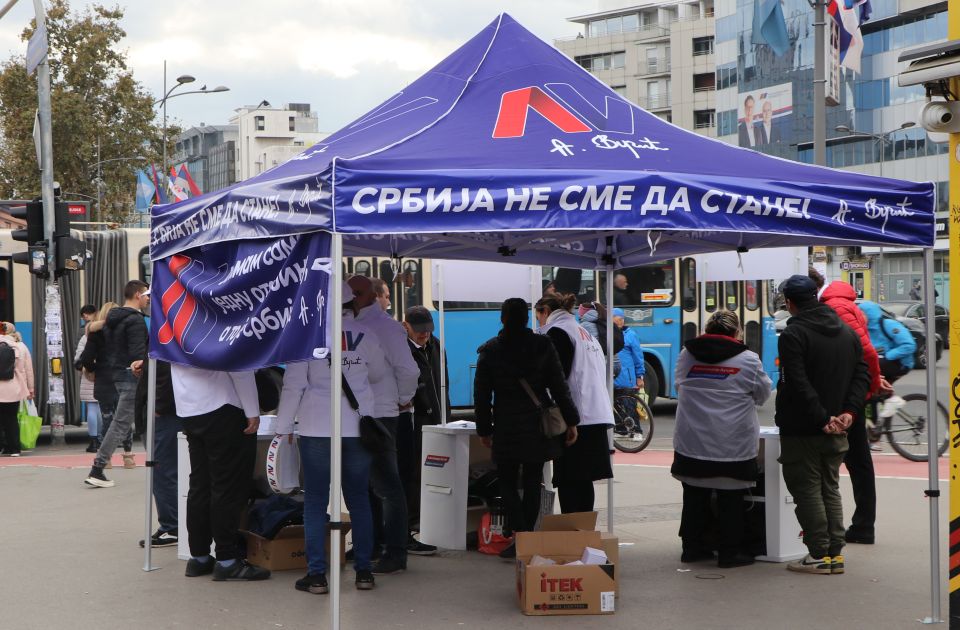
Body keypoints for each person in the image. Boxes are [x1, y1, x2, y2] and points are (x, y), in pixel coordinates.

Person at [275, 281, 380, 593]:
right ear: (352, 304)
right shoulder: (368, 335)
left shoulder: (307, 336)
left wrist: (283, 428)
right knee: (359, 498)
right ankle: (364, 572)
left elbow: (293, 384)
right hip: (357, 427)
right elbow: (375, 374)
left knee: (316, 501)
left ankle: (317, 575)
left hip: (316, 426)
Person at [775, 275, 870, 575]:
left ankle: (818, 554)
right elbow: (862, 374)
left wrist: (821, 417)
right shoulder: (846, 332)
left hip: (803, 427)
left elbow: (796, 383)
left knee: (807, 491)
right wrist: (849, 413)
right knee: (830, 488)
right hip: (839, 426)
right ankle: (834, 554)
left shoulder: (793, 335)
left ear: (789, 302)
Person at [475, 298, 580, 559]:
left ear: (502, 318)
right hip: (536, 425)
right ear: (527, 318)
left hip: (506, 425)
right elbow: (559, 386)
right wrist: (571, 420)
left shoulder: (490, 350)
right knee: (534, 480)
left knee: (508, 483)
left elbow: (481, 395)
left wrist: (484, 429)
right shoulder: (543, 345)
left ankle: (520, 536)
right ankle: (528, 537)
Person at [671, 310, 772, 568]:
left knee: (694, 495)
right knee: (731, 498)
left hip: (691, 442)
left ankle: (692, 548)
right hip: (732, 444)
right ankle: (730, 552)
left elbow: (679, 386)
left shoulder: (686, 355)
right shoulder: (749, 360)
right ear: (736, 332)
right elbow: (762, 395)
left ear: (706, 329)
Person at [349, 275, 420, 575]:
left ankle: (395, 550)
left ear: (368, 295)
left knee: (387, 484)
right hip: (363, 413)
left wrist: (403, 400)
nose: (349, 298)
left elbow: (408, 369)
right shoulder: (358, 325)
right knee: (367, 485)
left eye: (355, 293)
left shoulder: (385, 327)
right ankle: (373, 543)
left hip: (380, 414)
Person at [172, 362, 267, 581]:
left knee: (200, 484)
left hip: (189, 406)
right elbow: (237, 362)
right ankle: (227, 559)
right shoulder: (219, 323)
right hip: (223, 405)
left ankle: (199, 557)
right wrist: (252, 410)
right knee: (227, 486)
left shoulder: (173, 325)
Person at [819, 281, 887, 546]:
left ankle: (843, 528)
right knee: (860, 463)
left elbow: (866, 351)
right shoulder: (853, 308)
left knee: (829, 462)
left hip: (845, 394)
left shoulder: (836, 308)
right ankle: (863, 526)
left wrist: (873, 381)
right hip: (854, 395)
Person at [535, 292, 614, 513]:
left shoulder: (557, 332)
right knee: (583, 480)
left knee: (569, 480)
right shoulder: (583, 332)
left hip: (577, 417)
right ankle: (584, 532)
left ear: (546, 312)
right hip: (596, 413)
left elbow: (557, 379)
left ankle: (575, 533)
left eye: (538, 317)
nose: (538, 322)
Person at [85, 281, 150, 488]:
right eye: (147, 294)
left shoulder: (112, 318)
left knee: (133, 420)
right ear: (138, 294)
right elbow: (138, 352)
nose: (149, 299)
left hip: (116, 374)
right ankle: (97, 468)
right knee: (121, 423)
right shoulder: (136, 321)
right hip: (133, 374)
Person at [398, 305, 449, 556]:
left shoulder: (436, 346)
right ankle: (407, 526)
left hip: (437, 422)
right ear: (406, 325)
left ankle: (424, 522)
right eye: (419, 331)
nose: (424, 335)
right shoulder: (400, 348)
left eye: (428, 330)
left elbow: (443, 384)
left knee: (433, 475)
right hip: (412, 422)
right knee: (411, 475)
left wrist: (446, 418)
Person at [133, 358, 183, 548]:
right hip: (168, 409)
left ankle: (173, 526)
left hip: (165, 412)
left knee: (162, 469)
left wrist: (160, 406)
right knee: (166, 469)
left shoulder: (164, 329)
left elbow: (165, 366)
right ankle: (174, 524)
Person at [77, 302, 125, 465]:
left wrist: (94, 370)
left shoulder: (92, 334)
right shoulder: (125, 331)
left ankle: (103, 453)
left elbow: (84, 358)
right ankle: (128, 454)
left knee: (102, 413)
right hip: (123, 378)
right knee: (123, 415)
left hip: (101, 378)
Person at [860, 301, 916, 420]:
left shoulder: (888, 325)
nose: (859, 316)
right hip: (883, 362)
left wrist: (888, 356)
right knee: (871, 395)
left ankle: (891, 398)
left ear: (870, 314)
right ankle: (874, 432)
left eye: (862, 314)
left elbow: (909, 345)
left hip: (900, 363)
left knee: (872, 369)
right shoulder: (865, 330)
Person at [0, 323, 34, 456]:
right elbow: (28, 370)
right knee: (12, 419)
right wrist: (30, 388)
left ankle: (3, 446)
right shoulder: (20, 346)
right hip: (14, 388)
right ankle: (14, 449)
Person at [76, 307, 101, 453]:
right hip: (105, 375)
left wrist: (88, 369)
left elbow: (79, 357)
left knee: (92, 406)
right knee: (103, 408)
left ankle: (93, 441)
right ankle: (103, 439)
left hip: (89, 374)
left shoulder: (85, 337)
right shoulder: (109, 334)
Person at [612, 308, 645, 394]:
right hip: (611, 381)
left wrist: (639, 377)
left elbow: (638, 357)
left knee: (628, 406)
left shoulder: (631, 335)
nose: (621, 321)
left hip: (627, 381)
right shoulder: (607, 334)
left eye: (622, 319)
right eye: (619, 319)